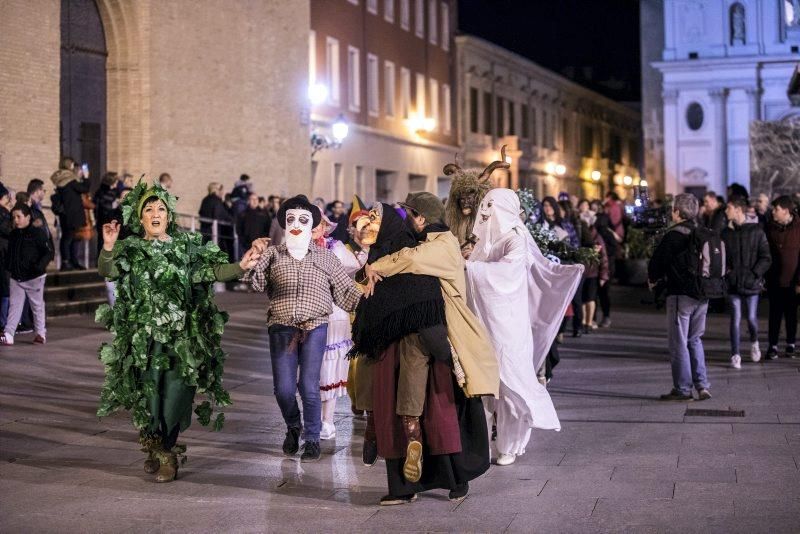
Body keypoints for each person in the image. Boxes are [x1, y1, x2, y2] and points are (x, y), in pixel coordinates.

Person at [95, 181, 263, 482]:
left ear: (169, 216)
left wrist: (240, 266)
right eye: (149, 209)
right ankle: (155, 446)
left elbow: (209, 272)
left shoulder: (184, 248)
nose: (155, 213)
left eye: (160, 208)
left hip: (178, 340)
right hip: (142, 341)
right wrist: (108, 247)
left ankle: (168, 454)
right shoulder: (131, 250)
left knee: (174, 394)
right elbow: (109, 271)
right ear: (140, 217)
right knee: (147, 396)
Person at [363, 192, 499, 501]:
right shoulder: (427, 243)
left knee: (447, 408)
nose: (405, 219)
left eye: (408, 213)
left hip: (445, 336)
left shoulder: (441, 246)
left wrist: (377, 266)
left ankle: (456, 478)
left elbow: (412, 261)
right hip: (423, 333)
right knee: (421, 406)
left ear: (422, 218)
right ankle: (409, 479)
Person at [463, 189, 582, 466]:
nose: (485, 212)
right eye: (485, 206)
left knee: (510, 385)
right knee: (483, 382)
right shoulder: (489, 238)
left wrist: (471, 268)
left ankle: (509, 445)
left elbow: (504, 276)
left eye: (491, 207)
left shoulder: (517, 239)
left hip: (509, 325)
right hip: (484, 322)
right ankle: (483, 442)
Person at [243, 195, 363, 462]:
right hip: (282, 328)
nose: (297, 224)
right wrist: (253, 260)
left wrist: (372, 303)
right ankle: (293, 425)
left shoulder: (326, 257)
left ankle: (312, 439)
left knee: (309, 385)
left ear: (312, 225)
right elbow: (258, 284)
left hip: (315, 326)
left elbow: (345, 291)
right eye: (291, 219)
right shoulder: (274, 254)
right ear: (285, 224)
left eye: (303, 219)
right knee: (284, 390)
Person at [648, 193, 711, 401]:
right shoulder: (700, 232)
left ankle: (683, 389)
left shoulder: (674, 235)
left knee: (678, 342)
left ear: (677, 212)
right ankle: (702, 385)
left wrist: (653, 280)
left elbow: (657, 263)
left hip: (680, 295)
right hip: (702, 294)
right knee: (695, 339)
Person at [310, 207, 358, 440]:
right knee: (310, 368)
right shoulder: (296, 249)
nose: (315, 228)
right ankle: (312, 419)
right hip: (308, 314)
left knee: (328, 367)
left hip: (333, 313)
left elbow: (352, 265)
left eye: (319, 224)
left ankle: (327, 421)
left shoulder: (335, 248)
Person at [721, 196, 771, 369]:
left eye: (729, 207)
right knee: (735, 318)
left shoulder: (757, 231)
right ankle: (735, 354)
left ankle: (754, 341)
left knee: (751, 317)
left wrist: (755, 274)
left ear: (738, 210)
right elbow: (722, 257)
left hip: (751, 282)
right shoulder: (726, 233)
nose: (726, 211)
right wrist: (727, 271)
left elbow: (766, 257)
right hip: (733, 283)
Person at [0, 203, 54, 346]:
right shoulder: (13, 234)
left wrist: (39, 266)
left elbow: (48, 252)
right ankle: (8, 334)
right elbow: (11, 252)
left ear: (28, 217)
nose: (16, 220)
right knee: (14, 306)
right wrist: (9, 266)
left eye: (19, 216)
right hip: (16, 276)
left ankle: (40, 334)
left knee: (36, 306)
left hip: (34, 277)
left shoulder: (38, 233)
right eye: (14, 217)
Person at [764, 195, 800, 359]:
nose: (773, 212)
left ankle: (791, 344)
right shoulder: (769, 228)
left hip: (793, 280)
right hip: (774, 279)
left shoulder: (798, 228)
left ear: (786, 211)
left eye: (776, 209)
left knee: (792, 314)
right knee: (774, 314)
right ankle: (773, 345)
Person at [50, 156, 90, 270]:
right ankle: (68, 262)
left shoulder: (61, 178)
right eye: (72, 164)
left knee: (71, 237)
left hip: (65, 213)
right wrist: (86, 178)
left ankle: (70, 261)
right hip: (72, 213)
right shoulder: (70, 179)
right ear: (69, 165)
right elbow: (84, 188)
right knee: (69, 238)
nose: (73, 166)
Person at [199, 182, 234, 259]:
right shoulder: (216, 201)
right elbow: (222, 216)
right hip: (215, 234)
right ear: (216, 190)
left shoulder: (205, 200)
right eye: (221, 190)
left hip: (205, 233)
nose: (222, 192)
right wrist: (234, 221)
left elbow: (201, 213)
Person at [93, 172, 120, 253]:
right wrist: (116, 203)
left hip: (114, 219)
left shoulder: (115, 191)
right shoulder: (101, 192)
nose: (117, 182)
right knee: (102, 240)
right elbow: (103, 206)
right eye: (116, 180)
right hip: (104, 219)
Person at [0, 183, 11, 329]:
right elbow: (8, 230)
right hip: (3, 256)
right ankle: (3, 323)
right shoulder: (3, 214)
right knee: (4, 291)